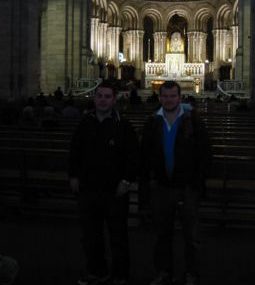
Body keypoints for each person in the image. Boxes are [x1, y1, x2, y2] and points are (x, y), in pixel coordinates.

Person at [140, 81, 211, 285]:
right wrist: (148, 183)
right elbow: (145, 154)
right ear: (160, 97)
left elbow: (205, 154)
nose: (169, 99)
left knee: (191, 236)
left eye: (173, 96)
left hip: (187, 188)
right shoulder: (152, 121)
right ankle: (164, 272)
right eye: (165, 96)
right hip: (162, 187)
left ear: (179, 97)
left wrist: (197, 183)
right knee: (162, 234)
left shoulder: (193, 120)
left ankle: (191, 273)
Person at [68, 80, 139, 285]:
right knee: (90, 235)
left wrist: (126, 180)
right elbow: (75, 150)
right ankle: (97, 272)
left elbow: (132, 156)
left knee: (118, 235)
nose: (103, 100)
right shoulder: (85, 122)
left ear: (114, 99)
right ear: (94, 98)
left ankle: (120, 275)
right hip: (88, 189)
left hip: (114, 190)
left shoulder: (123, 125)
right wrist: (73, 175)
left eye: (107, 97)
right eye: (99, 96)